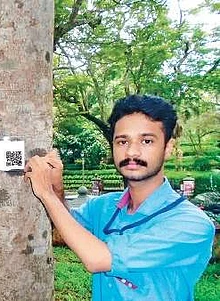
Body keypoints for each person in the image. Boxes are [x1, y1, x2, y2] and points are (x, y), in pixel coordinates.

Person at [25, 95, 215, 300]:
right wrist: (57, 189)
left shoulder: (191, 224)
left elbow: (97, 259)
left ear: (168, 147)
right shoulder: (103, 206)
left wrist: (45, 193)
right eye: (122, 141)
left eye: (147, 141)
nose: (132, 151)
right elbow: (63, 232)